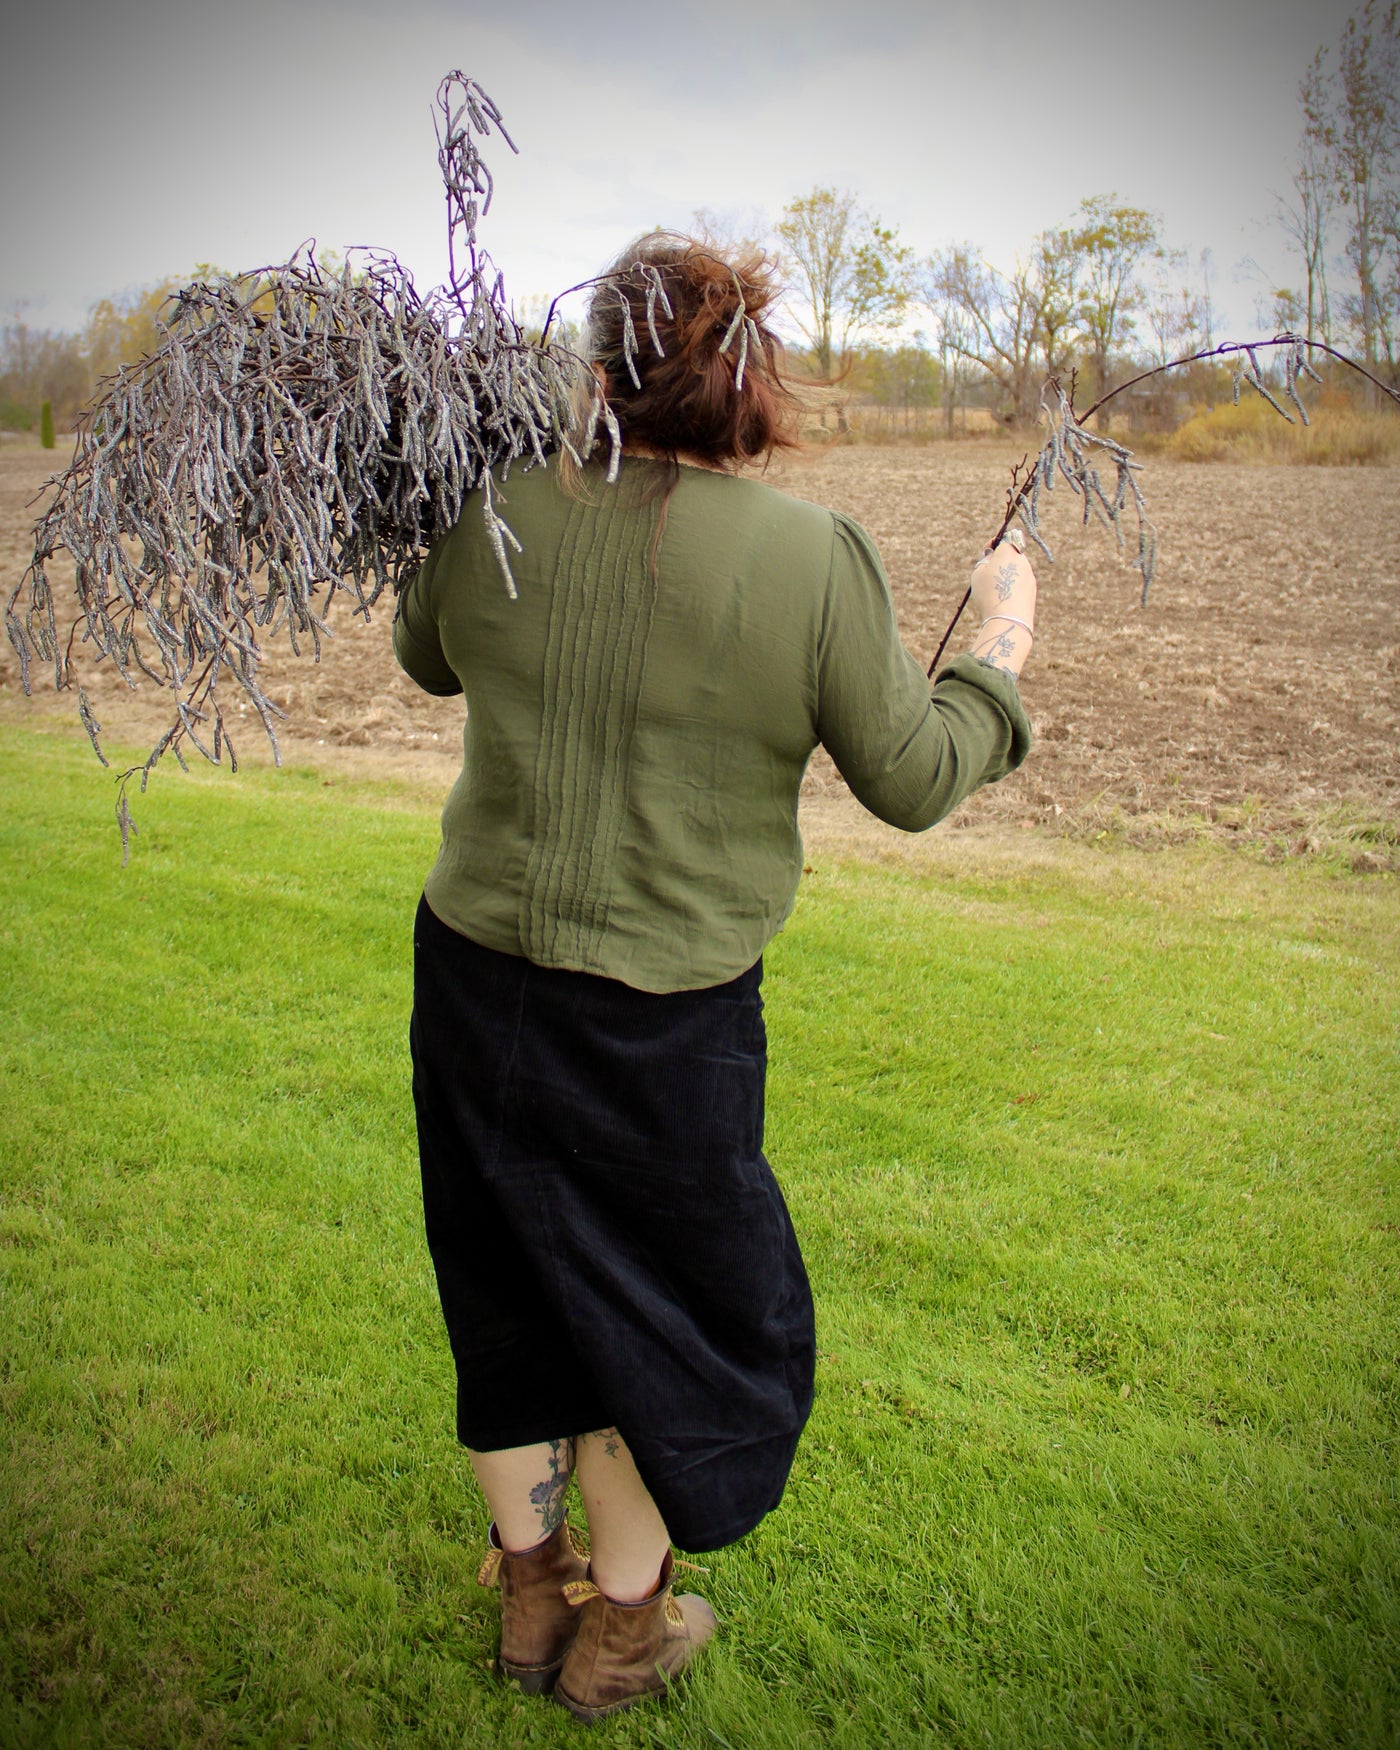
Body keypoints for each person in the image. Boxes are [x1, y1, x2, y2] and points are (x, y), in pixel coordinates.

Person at [393, 232, 1036, 1722]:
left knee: (501, 1285)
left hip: (474, 983)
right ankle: (619, 1631)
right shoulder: (811, 557)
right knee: (660, 1318)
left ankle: (532, 1596)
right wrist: (1000, 641)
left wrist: (470, 494)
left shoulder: (491, 505)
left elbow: (428, 656)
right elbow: (918, 777)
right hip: (664, 1025)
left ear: (598, 366)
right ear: (752, 378)